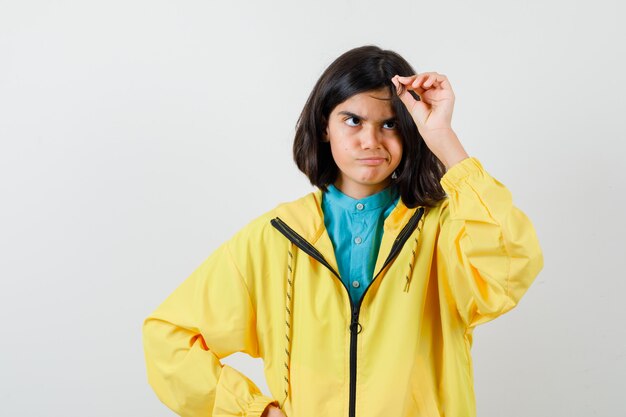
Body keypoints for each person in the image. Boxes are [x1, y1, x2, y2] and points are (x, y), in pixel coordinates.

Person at [142, 45, 544, 417]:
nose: (371, 141)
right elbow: (168, 338)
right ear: (324, 127)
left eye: (390, 124)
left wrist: (443, 139)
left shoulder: (446, 229)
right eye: (353, 120)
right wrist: (255, 411)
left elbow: (508, 271)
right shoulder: (275, 236)